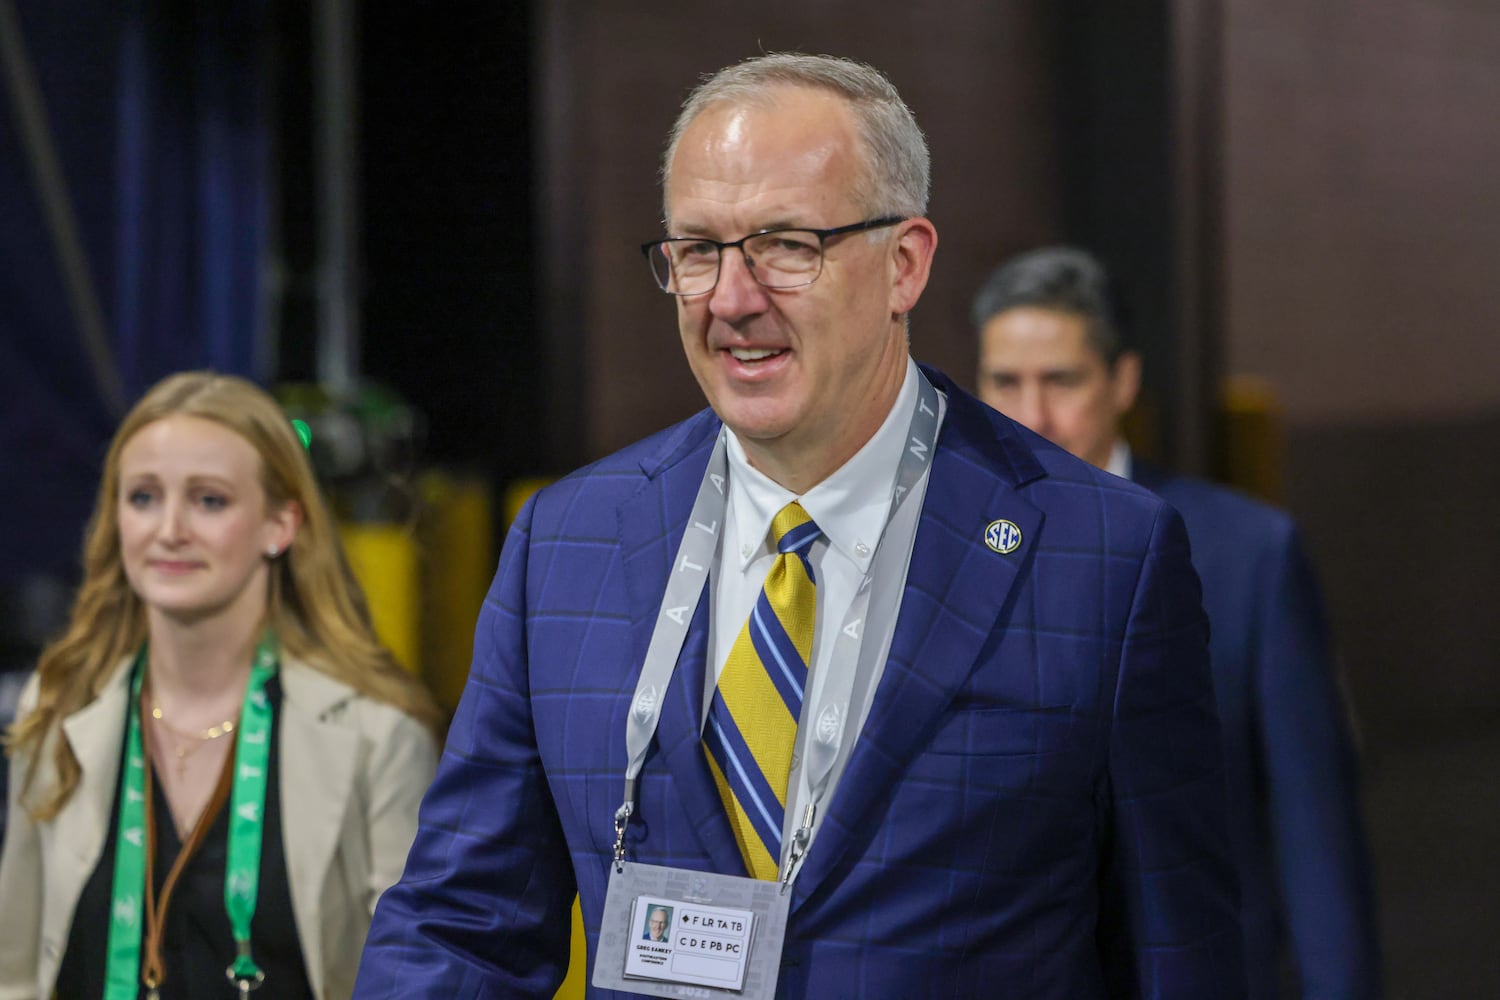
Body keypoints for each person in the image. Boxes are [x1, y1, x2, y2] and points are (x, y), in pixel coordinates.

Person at [355, 53, 1244, 997]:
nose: (733, 299)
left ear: (904, 265)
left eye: (786, 245)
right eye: (698, 250)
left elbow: (1175, 954)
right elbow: (463, 924)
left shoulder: (1101, 556)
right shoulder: (568, 544)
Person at [972, 246, 1381, 998]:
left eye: (1061, 380)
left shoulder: (1247, 556)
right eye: (1005, 383)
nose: (1031, 415)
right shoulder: (941, 554)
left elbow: (1314, 834)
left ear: (1122, 381)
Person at [0, 371, 443, 1000]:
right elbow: (13, 970)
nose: (169, 529)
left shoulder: (378, 733)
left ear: (280, 526)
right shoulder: (61, 702)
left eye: (209, 500)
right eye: (143, 497)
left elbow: (412, 976)